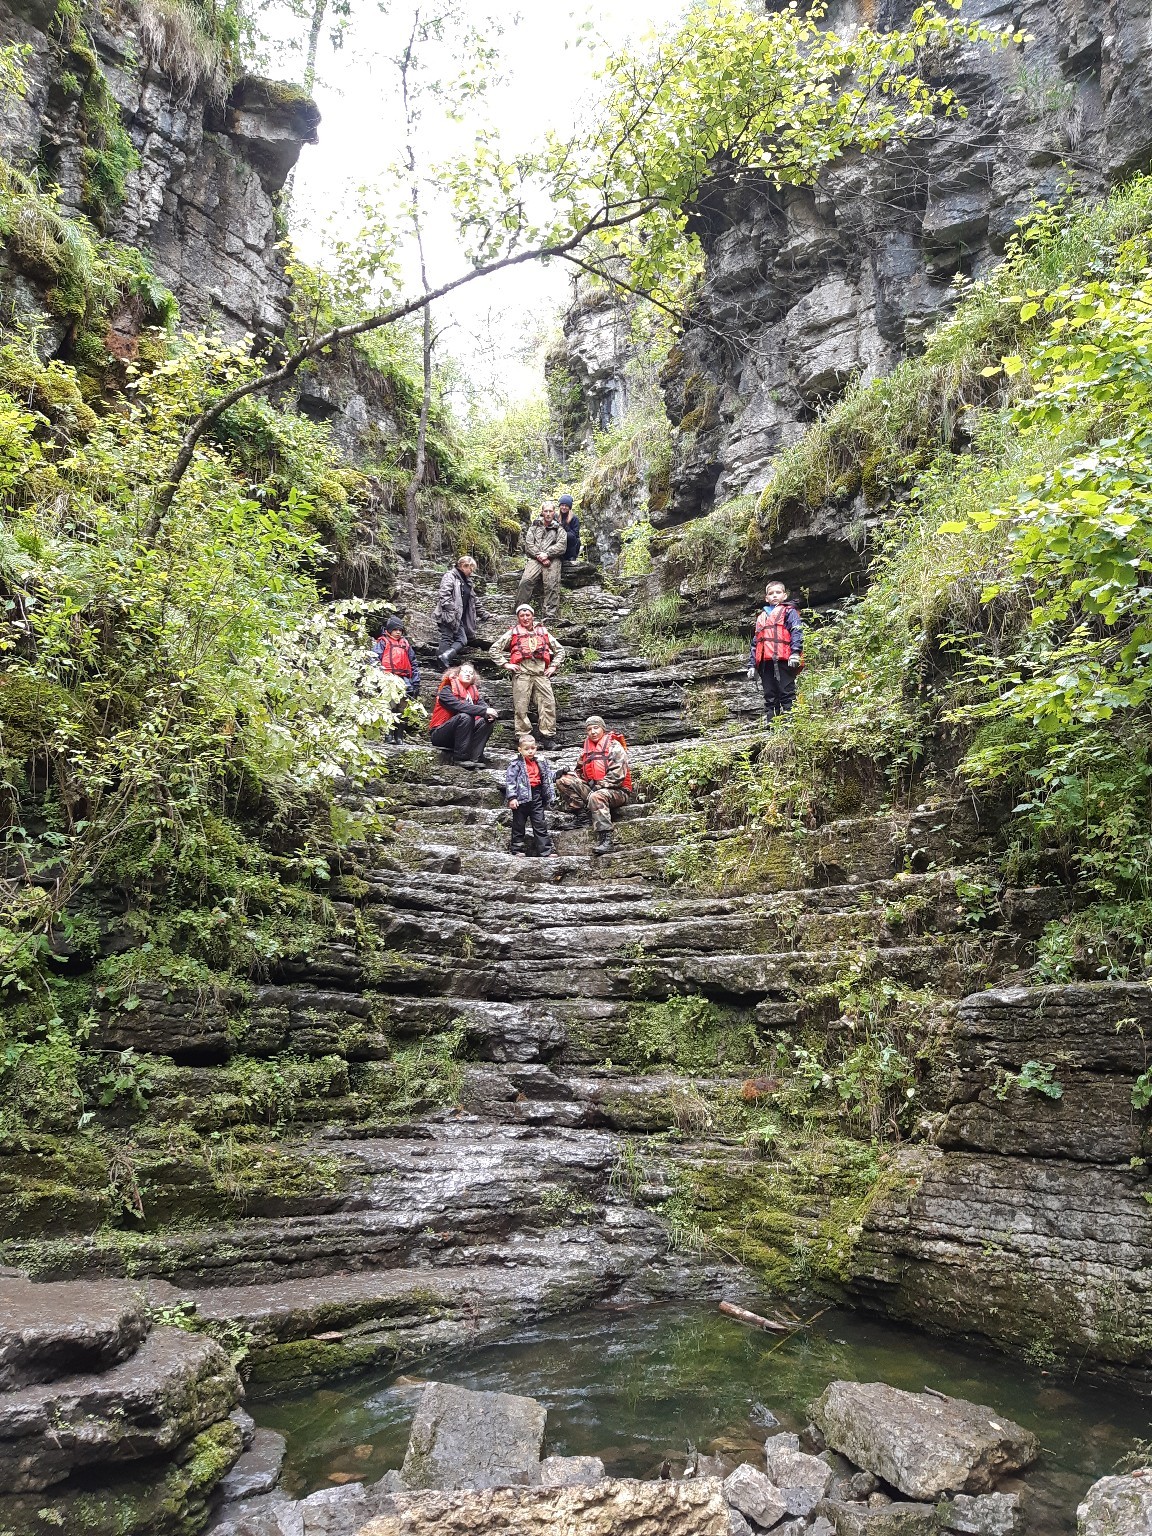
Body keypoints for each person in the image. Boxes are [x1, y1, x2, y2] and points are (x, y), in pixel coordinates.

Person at [489, 603, 565, 748]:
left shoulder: (543, 631)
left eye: (527, 615)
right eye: (522, 616)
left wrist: (554, 666)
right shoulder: (513, 632)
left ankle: (547, 738)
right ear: (518, 618)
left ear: (532, 616)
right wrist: (506, 664)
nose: (525, 618)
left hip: (541, 674)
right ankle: (524, 739)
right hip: (521, 674)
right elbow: (494, 649)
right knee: (521, 707)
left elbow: (560, 650)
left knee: (548, 704)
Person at [556, 714, 633, 856]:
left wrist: (598, 787)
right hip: (595, 790)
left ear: (603, 729)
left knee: (597, 796)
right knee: (563, 781)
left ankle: (606, 839)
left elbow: (618, 776)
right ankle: (582, 817)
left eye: (596, 728)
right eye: (589, 729)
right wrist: (566, 773)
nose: (593, 732)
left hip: (618, 791)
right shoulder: (586, 750)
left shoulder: (614, 747)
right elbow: (580, 773)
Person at [747, 580, 804, 722]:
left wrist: (795, 653)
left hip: (784, 660)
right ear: (766, 598)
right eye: (771, 593)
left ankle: (792, 724)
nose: (774, 595)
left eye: (778, 592)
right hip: (766, 664)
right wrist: (752, 666)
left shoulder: (789, 611)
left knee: (786, 692)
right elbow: (756, 643)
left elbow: (796, 631)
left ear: (784, 595)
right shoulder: (762, 617)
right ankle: (773, 726)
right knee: (770, 695)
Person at [427, 661, 497, 769]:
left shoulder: (475, 694)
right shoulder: (446, 690)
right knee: (465, 716)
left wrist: (490, 716)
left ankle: (475, 758)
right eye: (465, 671)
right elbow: (460, 706)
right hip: (441, 735)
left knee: (486, 722)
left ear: (474, 677)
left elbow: (484, 709)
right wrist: (484, 711)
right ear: (457, 674)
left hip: (464, 737)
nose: (468, 674)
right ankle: (461, 758)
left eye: (471, 673)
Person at [514, 501, 568, 622]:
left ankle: (549, 616)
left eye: (550, 511)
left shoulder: (559, 528)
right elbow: (528, 545)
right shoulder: (534, 527)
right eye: (546, 511)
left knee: (551, 584)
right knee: (526, 581)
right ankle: (519, 612)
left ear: (554, 512)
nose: (548, 514)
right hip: (535, 559)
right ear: (542, 512)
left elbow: (562, 546)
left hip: (553, 559)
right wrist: (540, 556)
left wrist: (547, 554)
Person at [434, 554, 490, 669]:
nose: (471, 571)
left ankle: (444, 658)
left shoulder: (468, 582)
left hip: (458, 618)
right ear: (463, 566)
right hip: (449, 615)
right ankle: (441, 664)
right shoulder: (450, 576)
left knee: (462, 639)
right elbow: (444, 594)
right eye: (470, 568)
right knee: (447, 637)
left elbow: (475, 601)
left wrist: (484, 614)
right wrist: (451, 611)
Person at [504, 733, 556, 857]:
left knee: (540, 823)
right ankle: (517, 849)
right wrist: (512, 797)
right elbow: (510, 781)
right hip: (521, 798)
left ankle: (545, 851)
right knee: (519, 824)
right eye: (526, 749)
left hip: (536, 795)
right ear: (520, 750)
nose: (530, 751)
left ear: (536, 748)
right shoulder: (515, 764)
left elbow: (548, 776)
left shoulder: (541, 762)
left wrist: (559, 773)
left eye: (532, 748)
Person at [372, 616, 421, 744]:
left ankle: (399, 737)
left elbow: (413, 663)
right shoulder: (382, 642)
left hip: (404, 680)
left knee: (403, 708)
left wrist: (415, 682)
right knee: (390, 707)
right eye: (395, 629)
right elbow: (375, 659)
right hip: (388, 678)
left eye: (400, 630)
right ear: (389, 630)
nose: (398, 632)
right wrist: (379, 677)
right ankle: (388, 736)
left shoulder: (405, 644)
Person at [557, 494, 581, 564]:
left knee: (570, 536)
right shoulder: (556, 517)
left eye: (566, 506)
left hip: (571, 546)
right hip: (559, 545)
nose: (564, 507)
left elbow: (575, 535)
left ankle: (572, 557)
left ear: (569, 507)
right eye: (562, 505)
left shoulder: (574, 518)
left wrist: (566, 526)